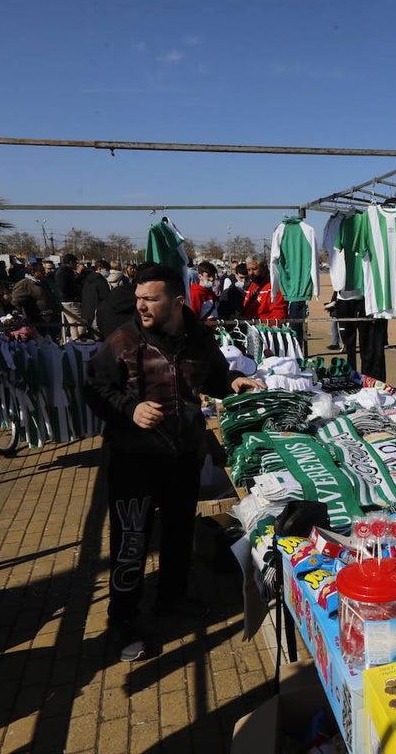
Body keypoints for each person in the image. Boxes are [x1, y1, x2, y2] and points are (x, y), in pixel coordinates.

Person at [85, 265, 264, 662]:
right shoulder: (123, 339)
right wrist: (129, 410)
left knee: (179, 532)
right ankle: (123, 620)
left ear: (177, 301)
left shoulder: (199, 337)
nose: (141, 306)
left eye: (151, 298)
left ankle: (171, 598)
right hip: (133, 460)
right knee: (131, 540)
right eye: (139, 298)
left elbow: (214, 377)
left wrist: (233, 381)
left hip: (183, 455)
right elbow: (94, 387)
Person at [10, 262, 60, 339]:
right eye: (41, 271)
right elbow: (15, 301)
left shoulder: (42, 283)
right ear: (33, 272)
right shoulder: (24, 284)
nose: (44, 273)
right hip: (37, 322)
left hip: (50, 320)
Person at [242, 257, 288, 321]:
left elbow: (278, 315)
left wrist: (261, 326)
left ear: (264, 268)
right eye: (249, 270)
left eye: (254, 269)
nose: (251, 273)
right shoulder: (252, 285)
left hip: (264, 327)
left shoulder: (274, 286)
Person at [55, 253, 87, 342]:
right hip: (69, 301)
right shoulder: (66, 272)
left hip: (64, 301)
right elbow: (68, 287)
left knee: (73, 323)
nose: (76, 265)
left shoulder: (61, 271)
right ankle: (79, 339)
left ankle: (75, 341)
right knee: (83, 321)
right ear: (70, 262)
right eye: (75, 263)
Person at [80, 260, 113, 336]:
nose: (108, 272)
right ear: (100, 268)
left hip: (87, 309)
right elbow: (105, 295)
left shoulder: (88, 278)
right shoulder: (100, 280)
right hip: (97, 309)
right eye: (107, 270)